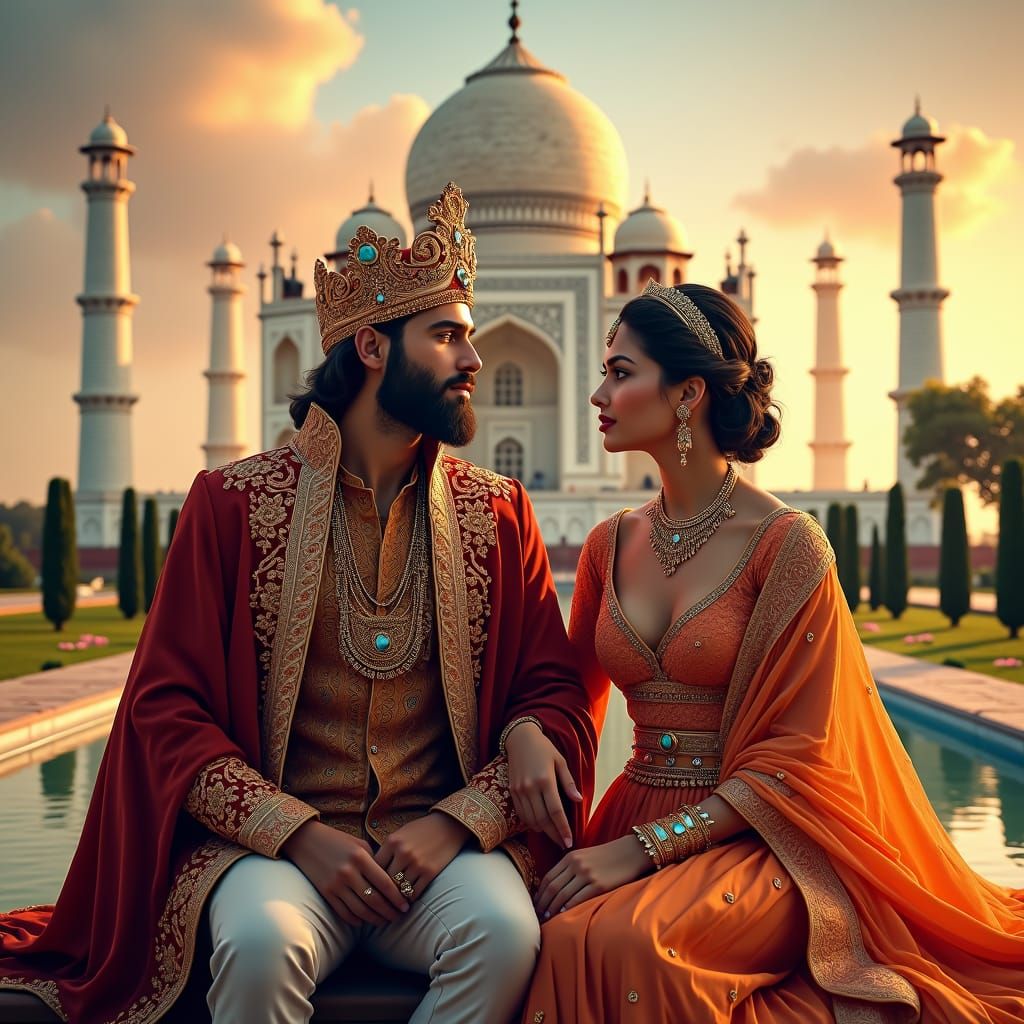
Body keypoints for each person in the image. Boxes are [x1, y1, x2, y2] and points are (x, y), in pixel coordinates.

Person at [0, 182, 599, 1024]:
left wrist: (468, 812)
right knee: (258, 946)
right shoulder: (234, 503)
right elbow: (164, 711)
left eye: (469, 338)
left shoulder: (493, 510)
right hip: (277, 851)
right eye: (446, 337)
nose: (472, 361)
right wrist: (294, 832)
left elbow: (553, 686)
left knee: (503, 935)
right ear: (372, 348)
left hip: (437, 850)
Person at [522, 281, 1024, 1023]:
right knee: (545, 928)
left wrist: (642, 852)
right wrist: (528, 731)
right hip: (633, 811)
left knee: (631, 941)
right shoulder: (609, 544)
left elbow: (799, 756)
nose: (599, 393)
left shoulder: (785, 546)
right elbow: (566, 694)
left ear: (688, 393)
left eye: (622, 373)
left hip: (761, 839)